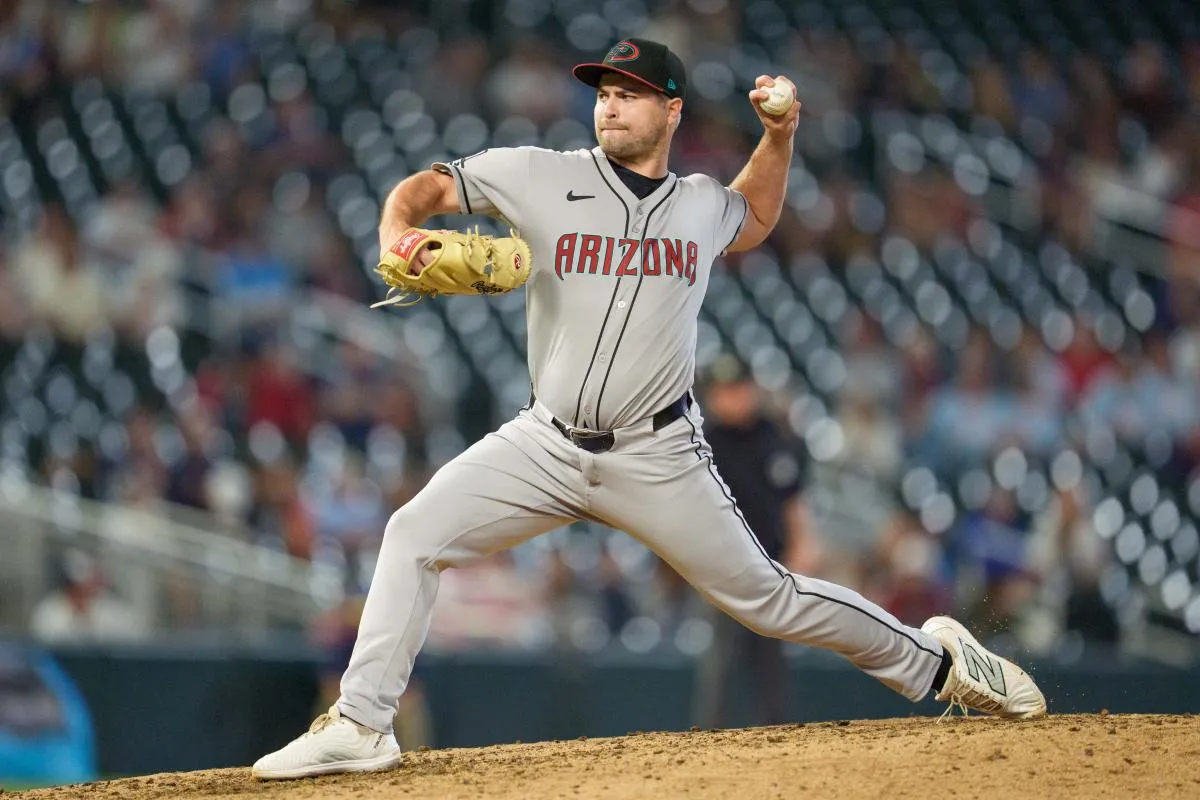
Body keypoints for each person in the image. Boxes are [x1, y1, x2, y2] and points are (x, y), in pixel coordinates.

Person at [253, 38, 1045, 780]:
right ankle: (362, 722)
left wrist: (781, 135)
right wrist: (398, 230)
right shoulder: (536, 173)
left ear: (671, 111)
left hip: (656, 452)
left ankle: (943, 663)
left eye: (630, 93)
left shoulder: (701, 204)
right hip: (546, 442)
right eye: (604, 91)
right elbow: (429, 186)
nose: (610, 105)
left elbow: (757, 217)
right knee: (413, 532)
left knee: (769, 598)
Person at [690, 355, 813, 729]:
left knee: (770, 655)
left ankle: (776, 731)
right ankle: (709, 734)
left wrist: (800, 546)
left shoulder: (774, 436)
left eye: (739, 388)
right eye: (725, 391)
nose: (734, 398)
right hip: (722, 564)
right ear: (711, 396)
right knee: (723, 657)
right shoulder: (700, 441)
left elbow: (792, 501)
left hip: (770, 562)